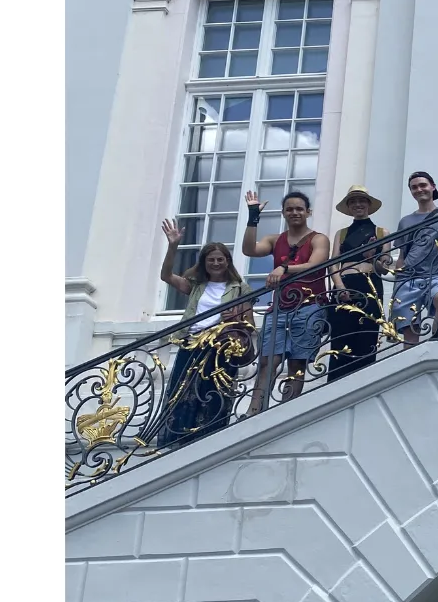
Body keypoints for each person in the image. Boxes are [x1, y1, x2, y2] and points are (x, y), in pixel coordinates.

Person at [156, 225, 253, 447]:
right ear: (204, 263)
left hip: (221, 346)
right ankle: (177, 438)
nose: (216, 263)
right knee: (182, 391)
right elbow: (166, 276)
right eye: (211, 260)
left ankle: (210, 439)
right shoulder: (196, 286)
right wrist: (173, 246)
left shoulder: (240, 288)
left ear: (227, 261)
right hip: (191, 343)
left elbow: (250, 325)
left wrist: (236, 318)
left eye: (220, 259)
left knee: (214, 393)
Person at [242, 189, 330, 413]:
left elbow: (315, 264)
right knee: (267, 362)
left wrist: (284, 268)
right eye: (289, 209)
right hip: (279, 308)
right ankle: (254, 412)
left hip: (309, 306)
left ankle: (285, 411)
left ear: (308, 212)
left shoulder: (318, 238)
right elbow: (249, 250)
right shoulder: (275, 239)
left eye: (299, 209)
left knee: (297, 363)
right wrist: (253, 217)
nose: (294, 212)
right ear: (283, 213)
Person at [389, 164, 438, 346]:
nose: (419, 189)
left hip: (435, 275)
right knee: (409, 328)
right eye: (414, 187)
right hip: (408, 277)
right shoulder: (405, 221)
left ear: (432, 187)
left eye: (423, 185)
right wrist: (397, 285)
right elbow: (402, 254)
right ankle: (410, 358)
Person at [326, 186, 390, 382]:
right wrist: (340, 287)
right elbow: (333, 263)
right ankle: (336, 383)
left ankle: (363, 382)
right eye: (353, 201)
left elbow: (384, 267)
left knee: (367, 336)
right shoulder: (342, 234)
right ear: (348, 206)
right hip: (344, 285)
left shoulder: (381, 232)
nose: (358, 204)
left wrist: (375, 258)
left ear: (369, 204)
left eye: (361, 200)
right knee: (341, 338)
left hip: (369, 286)